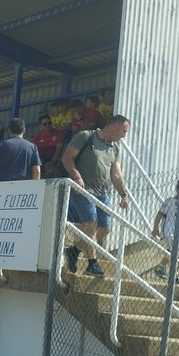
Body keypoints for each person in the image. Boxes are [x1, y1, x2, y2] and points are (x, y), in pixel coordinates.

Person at [60, 115, 132, 277]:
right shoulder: (86, 136)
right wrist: (77, 177)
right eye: (124, 131)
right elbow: (67, 158)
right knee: (91, 223)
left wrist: (124, 195)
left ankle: (74, 250)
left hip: (102, 193)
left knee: (104, 228)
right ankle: (92, 264)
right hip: (83, 190)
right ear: (114, 126)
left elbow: (117, 175)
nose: (124, 135)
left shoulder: (115, 148)